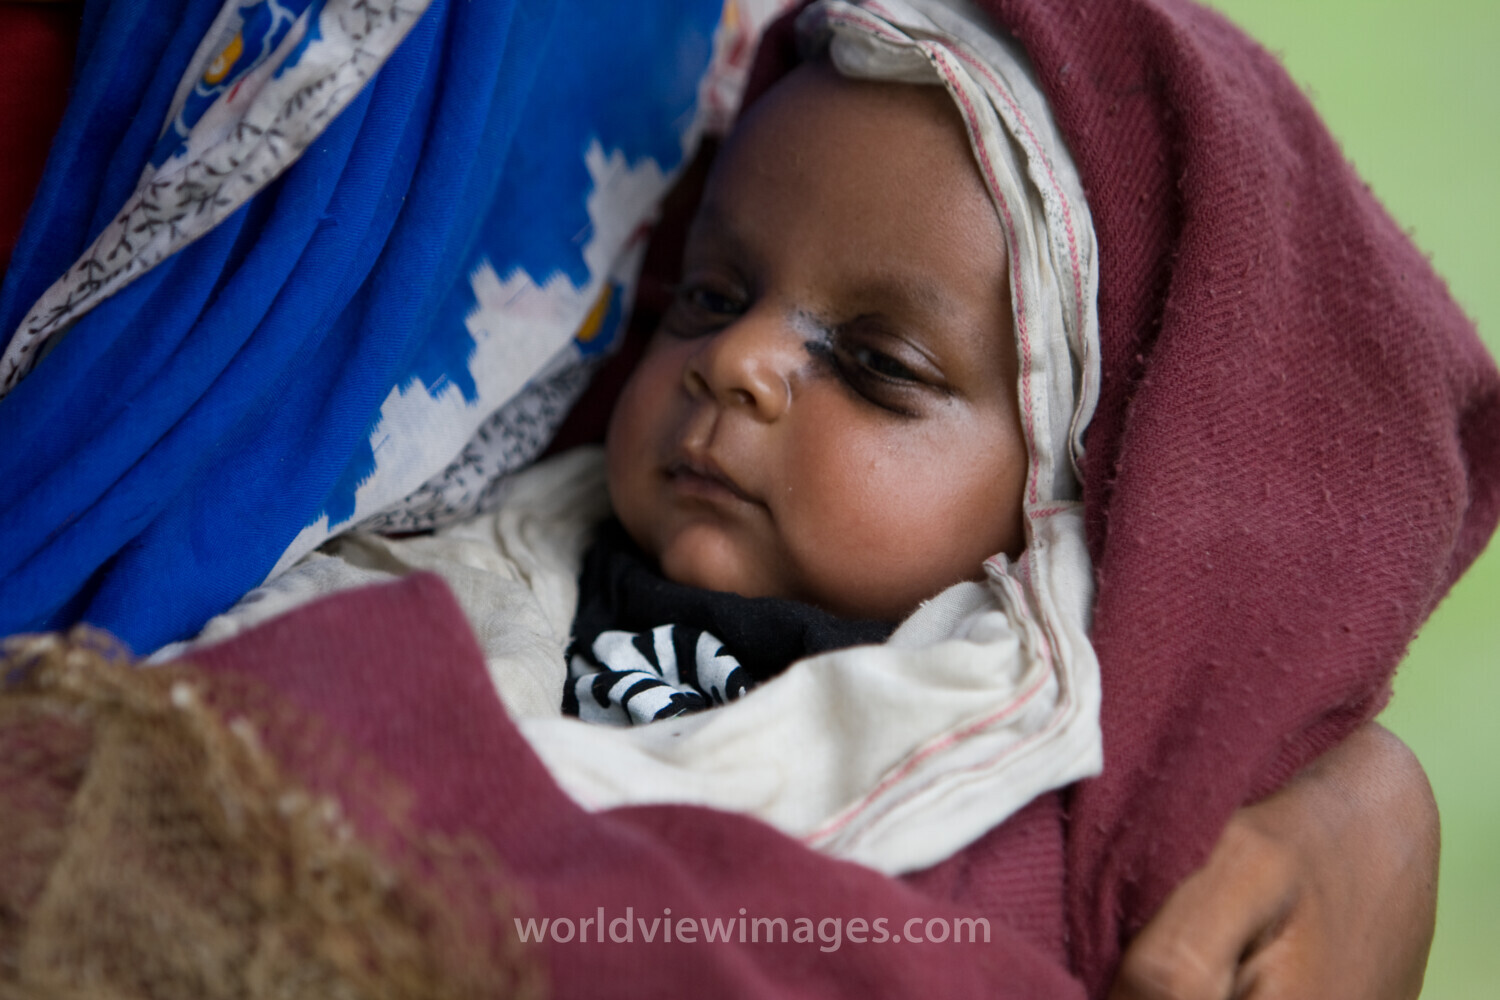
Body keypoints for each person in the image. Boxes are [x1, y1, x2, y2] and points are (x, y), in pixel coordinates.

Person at [2, 0, 1491, 995]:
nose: (744, 367)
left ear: (1067, 494)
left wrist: (1361, 799)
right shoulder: (478, 554)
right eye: (707, 296)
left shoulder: (1017, 749)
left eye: (880, 365)